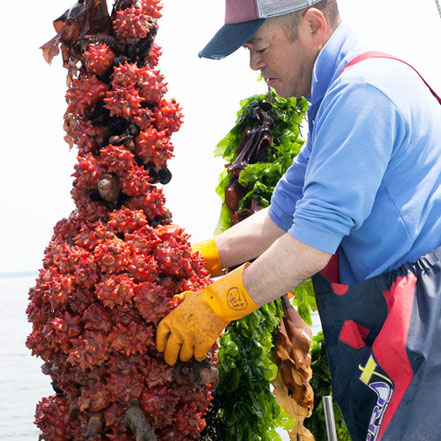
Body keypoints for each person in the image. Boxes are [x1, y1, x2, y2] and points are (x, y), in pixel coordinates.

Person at [156, 1, 441, 439]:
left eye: (260, 46)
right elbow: (285, 216)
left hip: (427, 318)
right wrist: (202, 259)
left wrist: (218, 304)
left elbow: (310, 244)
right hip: (396, 309)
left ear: (312, 23)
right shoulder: (337, 94)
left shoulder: (362, 94)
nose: (253, 64)